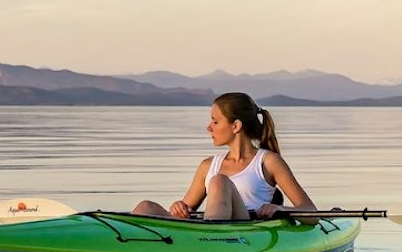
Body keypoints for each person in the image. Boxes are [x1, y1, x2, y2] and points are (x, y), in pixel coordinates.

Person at [132, 92, 318, 221]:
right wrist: (178, 207)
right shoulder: (207, 166)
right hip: (207, 229)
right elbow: (184, 212)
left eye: (215, 121)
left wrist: (280, 208)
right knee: (146, 207)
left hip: (244, 232)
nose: (209, 127)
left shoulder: (268, 161)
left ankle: (211, 244)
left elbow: (311, 212)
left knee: (220, 181)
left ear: (235, 126)